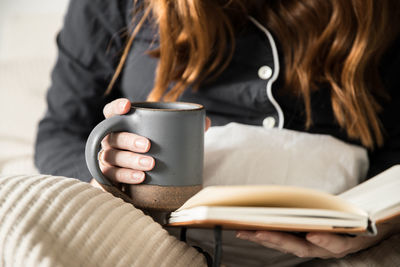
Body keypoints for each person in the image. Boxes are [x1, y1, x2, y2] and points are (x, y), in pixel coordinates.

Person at [33, 0, 400, 265]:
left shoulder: (378, 12)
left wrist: (380, 224)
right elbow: (61, 130)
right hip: (152, 222)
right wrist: (106, 175)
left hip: (333, 222)